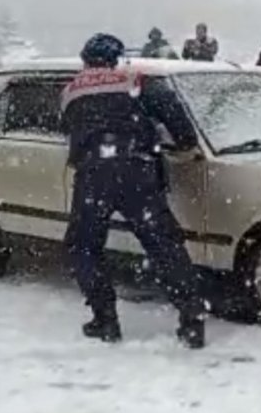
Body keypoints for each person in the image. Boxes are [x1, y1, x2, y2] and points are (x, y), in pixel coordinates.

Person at [60, 32, 207, 348]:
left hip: (93, 175)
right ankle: (192, 320)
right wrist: (184, 143)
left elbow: (67, 130)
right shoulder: (136, 80)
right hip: (137, 171)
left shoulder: (71, 90)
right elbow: (175, 116)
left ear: (85, 60)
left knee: (84, 246)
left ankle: (105, 320)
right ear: (117, 59)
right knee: (164, 245)